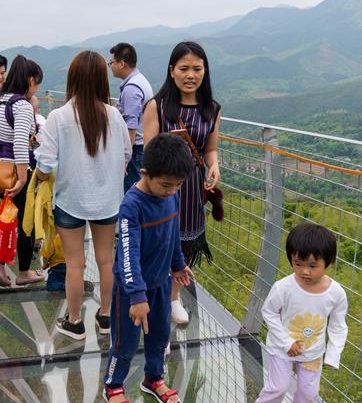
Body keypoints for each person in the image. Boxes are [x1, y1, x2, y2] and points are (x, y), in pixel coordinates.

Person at [35, 50, 131, 340]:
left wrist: (39, 178)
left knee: (75, 263)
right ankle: (106, 317)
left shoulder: (58, 117)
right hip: (107, 201)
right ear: (103, 79)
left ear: (72, 79)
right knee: (106, 261)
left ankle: (74, 322)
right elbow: (126, 154)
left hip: (70, 200)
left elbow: (46, 163)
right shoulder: (114, 116)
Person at [102, 133, 195, 403]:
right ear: (145, 173)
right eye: (166, 185)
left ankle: (153, 379)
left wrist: (178, 264)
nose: (172, 191)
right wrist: (137, 296)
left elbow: (172, 234)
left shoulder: (170, 196)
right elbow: (127, 256)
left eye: (178, 185)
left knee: (159, 337)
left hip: (161, 283)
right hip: (132, 291)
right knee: (125, 342)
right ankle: (114, 386)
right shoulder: (133, 205)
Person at [243, 223, 348, 403]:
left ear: (329, 262)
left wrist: (333, 354)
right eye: (297, 263)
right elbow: (269, 312)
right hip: (282, 349)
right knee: (278, 386)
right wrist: (287, 341)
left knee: (309, 390)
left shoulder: (336, 294)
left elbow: (338, 325)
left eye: (312, 265)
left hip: (312, 352)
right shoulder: (284, 287)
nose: (304, 271)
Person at [143, 41, 222, 326]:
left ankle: (173, 298)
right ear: (172, 71)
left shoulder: (211, 109)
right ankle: (153, 297)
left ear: (205, 71)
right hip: (162, 188)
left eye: (197, 69)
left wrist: (214, 165)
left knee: (184, 245)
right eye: (184, 68)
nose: (191, 75)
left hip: (192, 190)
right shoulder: (158, 106)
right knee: (160, 242)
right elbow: (149, 152)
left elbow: (210, 148)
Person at [0, 55, 44, 287]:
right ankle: (23, 272)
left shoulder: (1, 101)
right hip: (15, 172)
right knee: (25, 223)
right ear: (30, 80)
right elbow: (20, 143)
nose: (37, 88)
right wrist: (22, 178)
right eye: (37, 82)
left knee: (4, 218)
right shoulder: (22, 105)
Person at [110, 42, 154, 192]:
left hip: (135, 151)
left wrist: (125, 159)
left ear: (121, 63)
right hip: (140, 148)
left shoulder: (131, 89)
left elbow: (131, 127)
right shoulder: (140, 80)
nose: (111, 66)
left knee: (132, 194)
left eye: (112, 62)